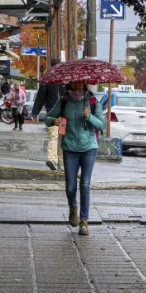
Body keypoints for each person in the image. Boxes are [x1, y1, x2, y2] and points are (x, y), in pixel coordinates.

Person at [45, 80, 105, 235]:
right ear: (70, 84)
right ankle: (73, 207)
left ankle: (84, 221)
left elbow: (101, 125)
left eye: (80, 83)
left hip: (89, 148)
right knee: (70, 187)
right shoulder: (64, 101)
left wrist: (89, 116)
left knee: (85, 185)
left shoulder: (92, 101)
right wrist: (54, 120)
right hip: (70, 148)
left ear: (84, 84)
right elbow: (47, 117)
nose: (77, 86)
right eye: (74, 83)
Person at [32, 61, 66, 170]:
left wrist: (34, 112)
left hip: (61, 116)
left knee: (58, 138)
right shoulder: (49, 82)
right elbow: (40, 98)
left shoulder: (62, 82)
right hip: (54, 117)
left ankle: (57, 161)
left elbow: (39, 98)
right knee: (56, 137)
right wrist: (35, 112)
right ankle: (55, 161)